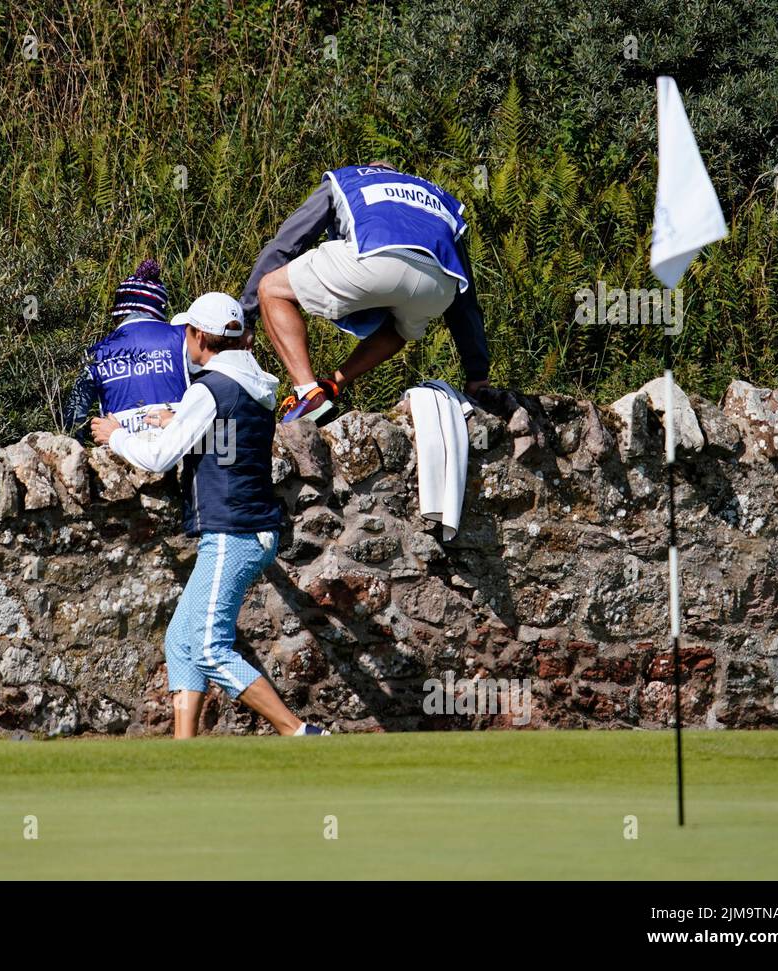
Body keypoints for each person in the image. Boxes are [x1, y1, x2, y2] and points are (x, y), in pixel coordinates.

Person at [91, 292, 330, 738]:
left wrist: (117, 435)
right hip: (248, 529)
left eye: (186, 333)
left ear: (200, 336)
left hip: (233, 532)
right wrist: (178, 417)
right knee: (180, 642)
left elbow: (160, 458)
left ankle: (299, 732)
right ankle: (187, 754)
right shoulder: (249, 384)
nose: (184, 341)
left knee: (206, 646)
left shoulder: (208, 388)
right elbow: (224, 430)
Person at [240, 161, 492, 425]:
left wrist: (247, 317)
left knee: (271, 289)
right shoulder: (437, 197)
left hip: (374, 260)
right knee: (399, 329)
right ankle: (333, 384)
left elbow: (286, 244)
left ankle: (307, 392)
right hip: (437, 286)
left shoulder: (346, 179)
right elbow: (466, 301)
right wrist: (477, 374)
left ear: (370, 170)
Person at [63, 259, 189, 441]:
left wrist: (76, 450)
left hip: (119, 456)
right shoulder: (183, 337)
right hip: (178, 449)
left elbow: (75, 414)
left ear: (118, 310)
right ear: (160, 306)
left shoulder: (96, 353)